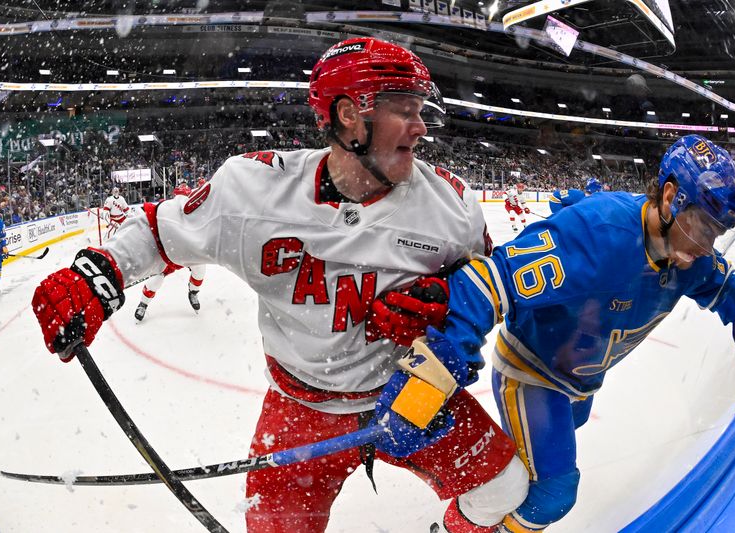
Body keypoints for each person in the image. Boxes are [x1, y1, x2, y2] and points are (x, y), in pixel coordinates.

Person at [31, 37, 529, 533]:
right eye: (404, 109)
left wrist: (447, 300)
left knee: (504, 490)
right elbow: (159, 229)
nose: (421, 127)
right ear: (347, 115)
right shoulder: (252, 192)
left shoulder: (452, 205)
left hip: (409, 393)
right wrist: (94, 275)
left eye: (421, 110)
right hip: (301, 409)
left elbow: (487, 283)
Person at [407, 135, 735, 531]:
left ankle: (481, 509)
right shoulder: (597, 233)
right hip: (533, 371)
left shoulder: (689, 255)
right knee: (554, 491)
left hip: (581, 382)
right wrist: (439, 362)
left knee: (530, 467)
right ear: (671, 197)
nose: (707, 247)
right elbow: (492, 279)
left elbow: (722, 284)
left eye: (716, 233)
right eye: (701, 227)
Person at [134, 183, 207, 322]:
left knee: (199, 268)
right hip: (170, 252)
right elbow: (144, 211)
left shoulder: (190, 209)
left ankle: (192, 292)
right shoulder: (166, 206)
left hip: (184, 250)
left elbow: (142, 211)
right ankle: (143, 303)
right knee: (158, 279)